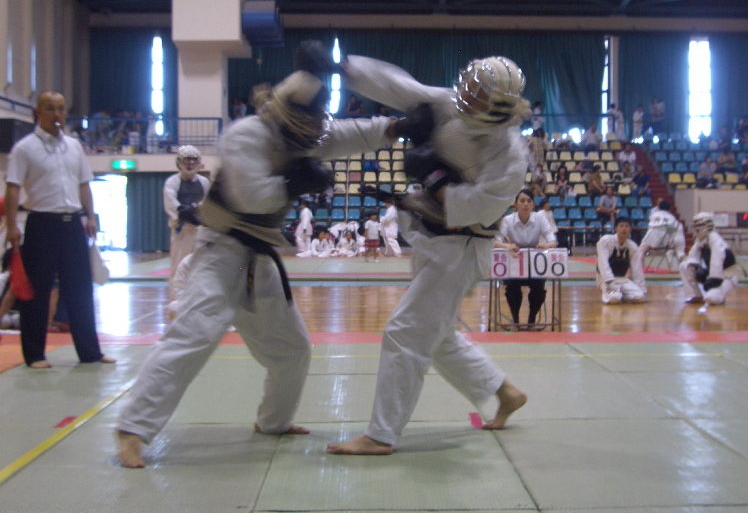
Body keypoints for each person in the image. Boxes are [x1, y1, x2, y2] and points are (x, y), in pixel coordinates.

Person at [116, 42, 403, 468]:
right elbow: (250, 195)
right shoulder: (246, 134)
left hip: (259, 257)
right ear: (288, 116)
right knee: (194, 334)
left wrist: (398, 126)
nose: (313, 134)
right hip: (221, 250)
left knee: (293, 349)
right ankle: (132, 429)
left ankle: (273, 421)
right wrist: (294, 183)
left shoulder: (308, 134)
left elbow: (354, 134)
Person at [327, 54, 530, 455]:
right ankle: (506, 393)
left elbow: (480, 207)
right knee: (436, 336)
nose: (467, 96)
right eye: (469, 87)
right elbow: (401, 87)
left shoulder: (508, 154)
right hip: (432, 237)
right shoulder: (448, 104)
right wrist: (344, 69)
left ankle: (381, 435)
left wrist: (435, 178)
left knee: (406, 331)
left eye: (478, 95)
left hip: (462, 248)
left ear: (498, 106)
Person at [4, 91, 116, 368]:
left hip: (72, 224)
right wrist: (11, 226)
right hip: (41, 224)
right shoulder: (24, 148)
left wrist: (91, 216)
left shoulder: (74, 146)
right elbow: (13, 188)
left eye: (61, 109)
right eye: (50, 108)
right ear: (38, 112)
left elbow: (83, 183)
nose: (57, 114)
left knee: (80, 289)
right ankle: (35, 355)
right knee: (37, 292)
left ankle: (90, 352)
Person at [493, 189, 557, 326]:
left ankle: (531, 320)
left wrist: (546, 245)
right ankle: (515, 320)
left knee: (539, 290)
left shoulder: (540, 218)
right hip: (514, 264)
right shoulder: (507, 220)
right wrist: (508, 246)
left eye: (529, 201)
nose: (526, 204)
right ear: (516, 204)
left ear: (533, 205)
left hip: (534, 266)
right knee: (512, 289)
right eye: (522, 201)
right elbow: (495, 241)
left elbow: (553, 241)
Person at [163, 145, 211, 307]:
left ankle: (199, 303)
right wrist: (185, 212)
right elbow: (171, 205)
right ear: (179, 162)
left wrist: (199, 215)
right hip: (181, 232)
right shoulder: (172, 182)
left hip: (201, 232)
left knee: (201, 266)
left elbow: (208, 204)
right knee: (179, 267)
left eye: (193, 160)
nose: (190, 163)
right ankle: (176, 303)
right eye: (187, 160)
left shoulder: (204, 182)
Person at [680, 212, 739, 305]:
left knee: (711, 298)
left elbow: (717, 263)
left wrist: (712, 281)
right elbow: (692, 258)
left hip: (727, 276)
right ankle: (695, 295)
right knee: (684, 265)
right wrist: (698, 269)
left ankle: (719, 294)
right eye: (695, 226)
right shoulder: (700, 241)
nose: (697, 229)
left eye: (700, 225)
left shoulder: (716, 241)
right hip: (711, 272)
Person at [596, 217, 647, 304]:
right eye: (621, 226)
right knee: (614, 298)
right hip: (605, 279)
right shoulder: (605, 241)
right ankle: (613, 293)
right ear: (615, 228)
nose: (624, 229)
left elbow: (637, 270)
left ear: (630, 229)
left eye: (627, 226)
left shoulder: (632, 246)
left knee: (639, 296)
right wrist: (609, 281)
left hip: (622, 278)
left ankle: (622, 293)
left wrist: (641, 288)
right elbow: (603, 263)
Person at [637, 198, 686, 270]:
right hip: (664, 242)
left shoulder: (654, 215)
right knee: (677, 250)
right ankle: (681, 263)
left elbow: (650, 226)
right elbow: (672, 230)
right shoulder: (672, 217)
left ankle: (640, 269)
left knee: (640, 251)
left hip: (651, 239)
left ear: (659, 208)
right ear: (669, 208)